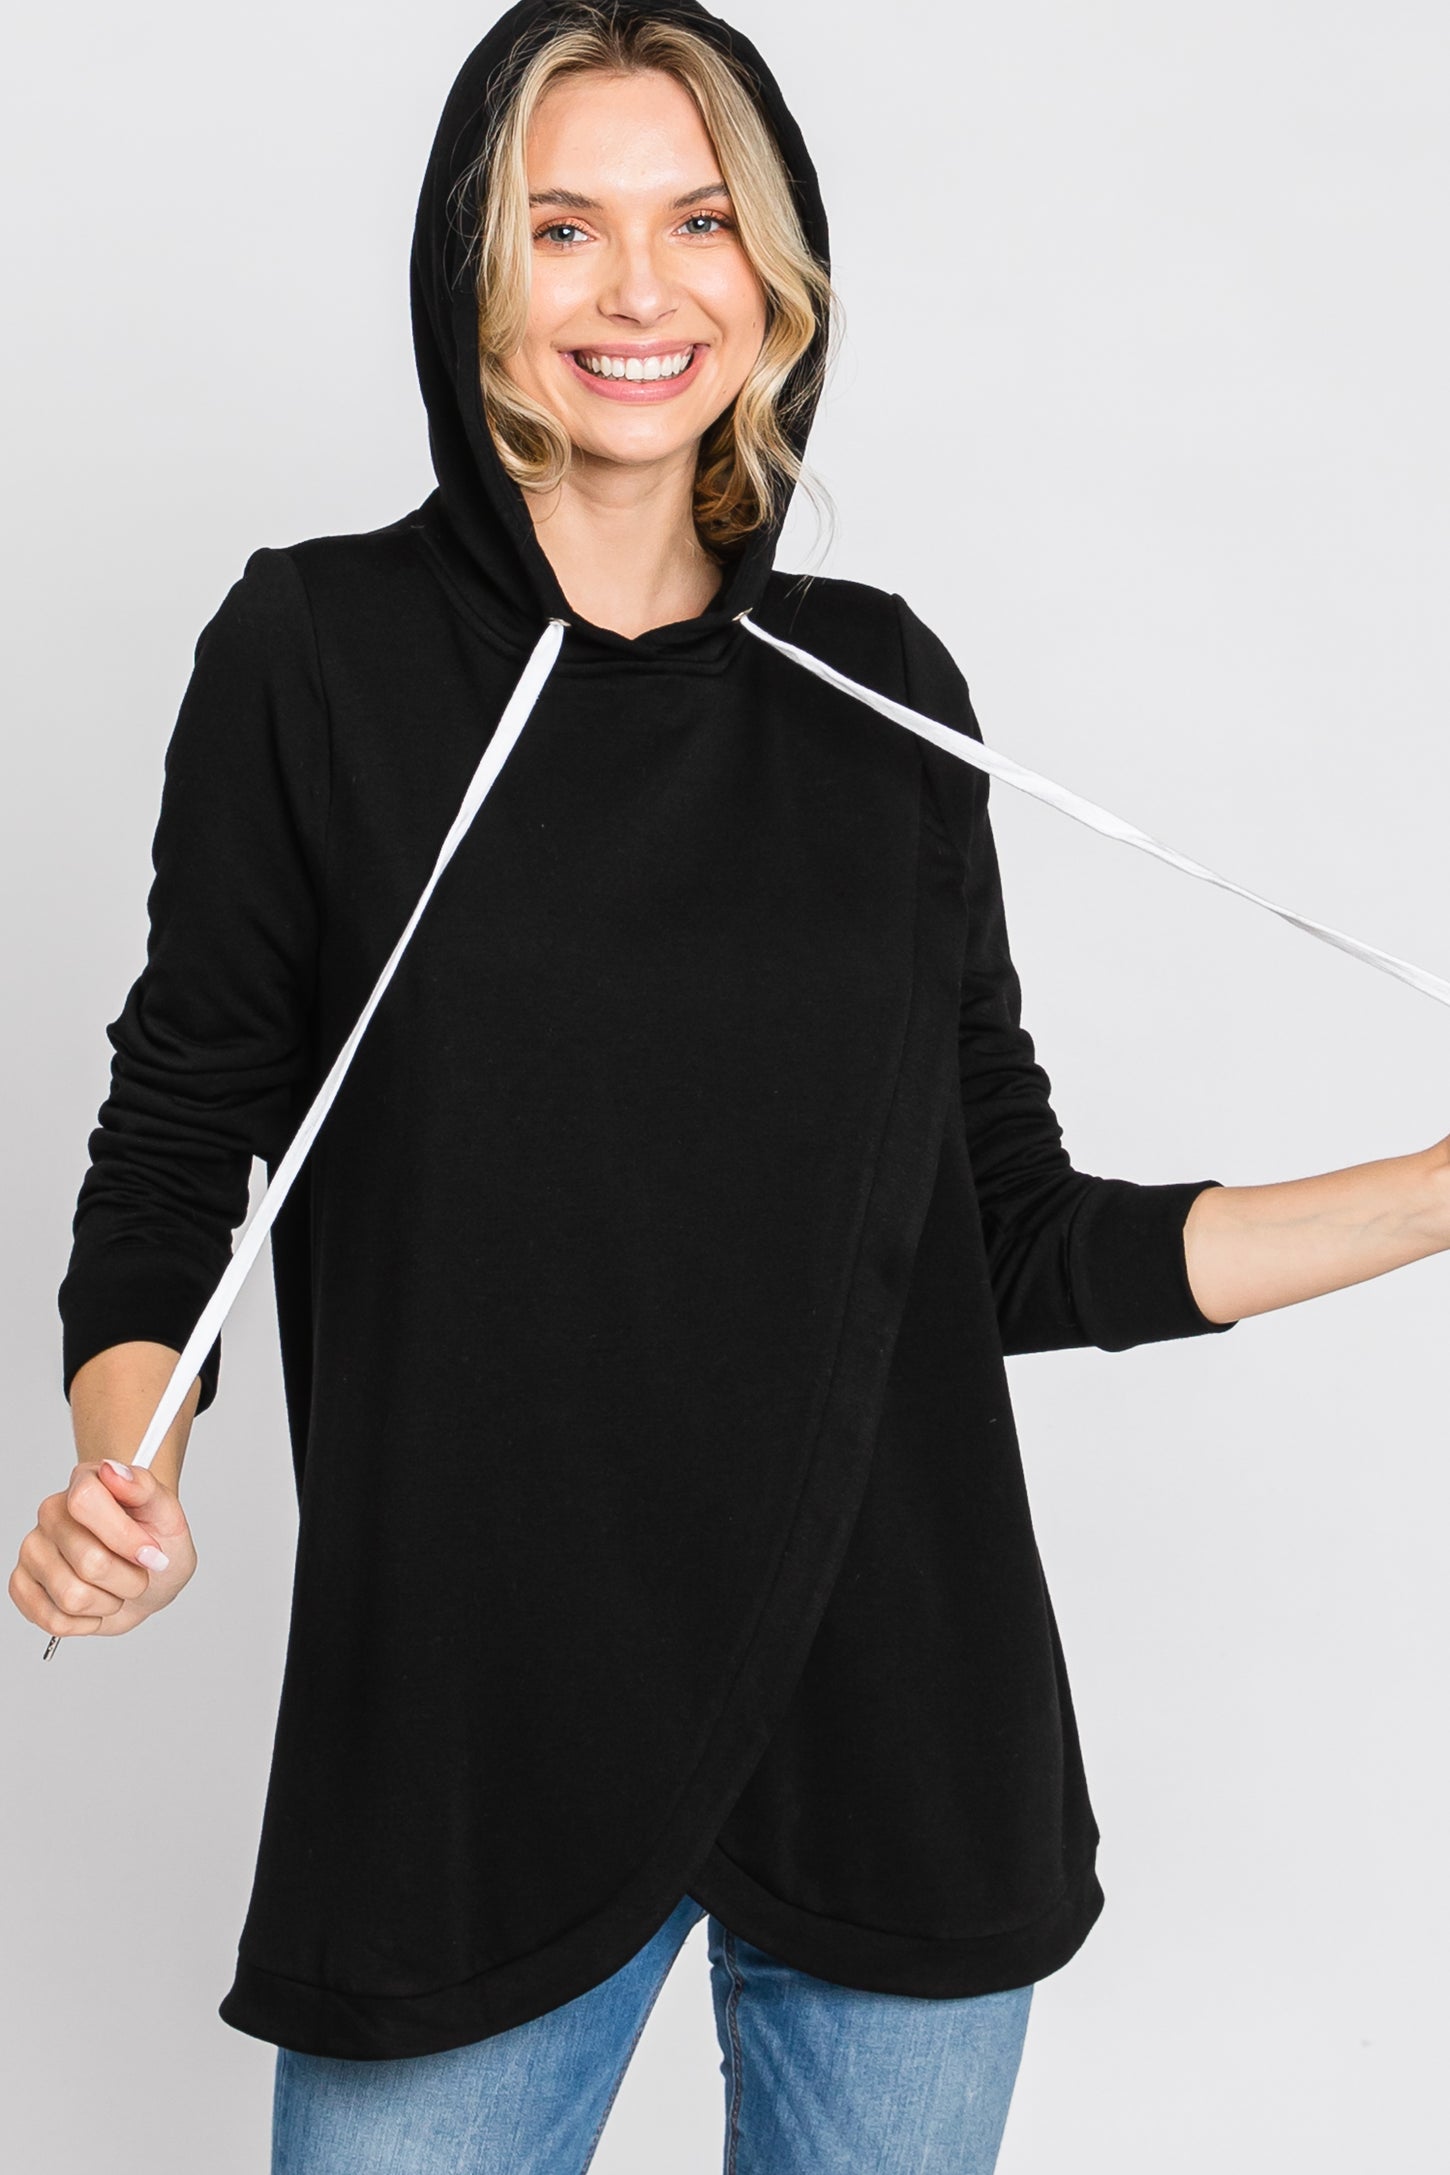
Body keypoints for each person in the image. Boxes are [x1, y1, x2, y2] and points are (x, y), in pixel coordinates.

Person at [13, 3, 1450, 2169]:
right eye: (563, 226)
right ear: (470, 271)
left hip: (903, 1731)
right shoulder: (315, 658)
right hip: (474, 1744)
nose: (640, 289)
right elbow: (171, 1154)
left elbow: (1005, 1236)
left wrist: (1431, 1183)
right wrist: (127, 1461)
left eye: (698, 222)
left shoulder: (880, 691)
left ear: (775, 276)